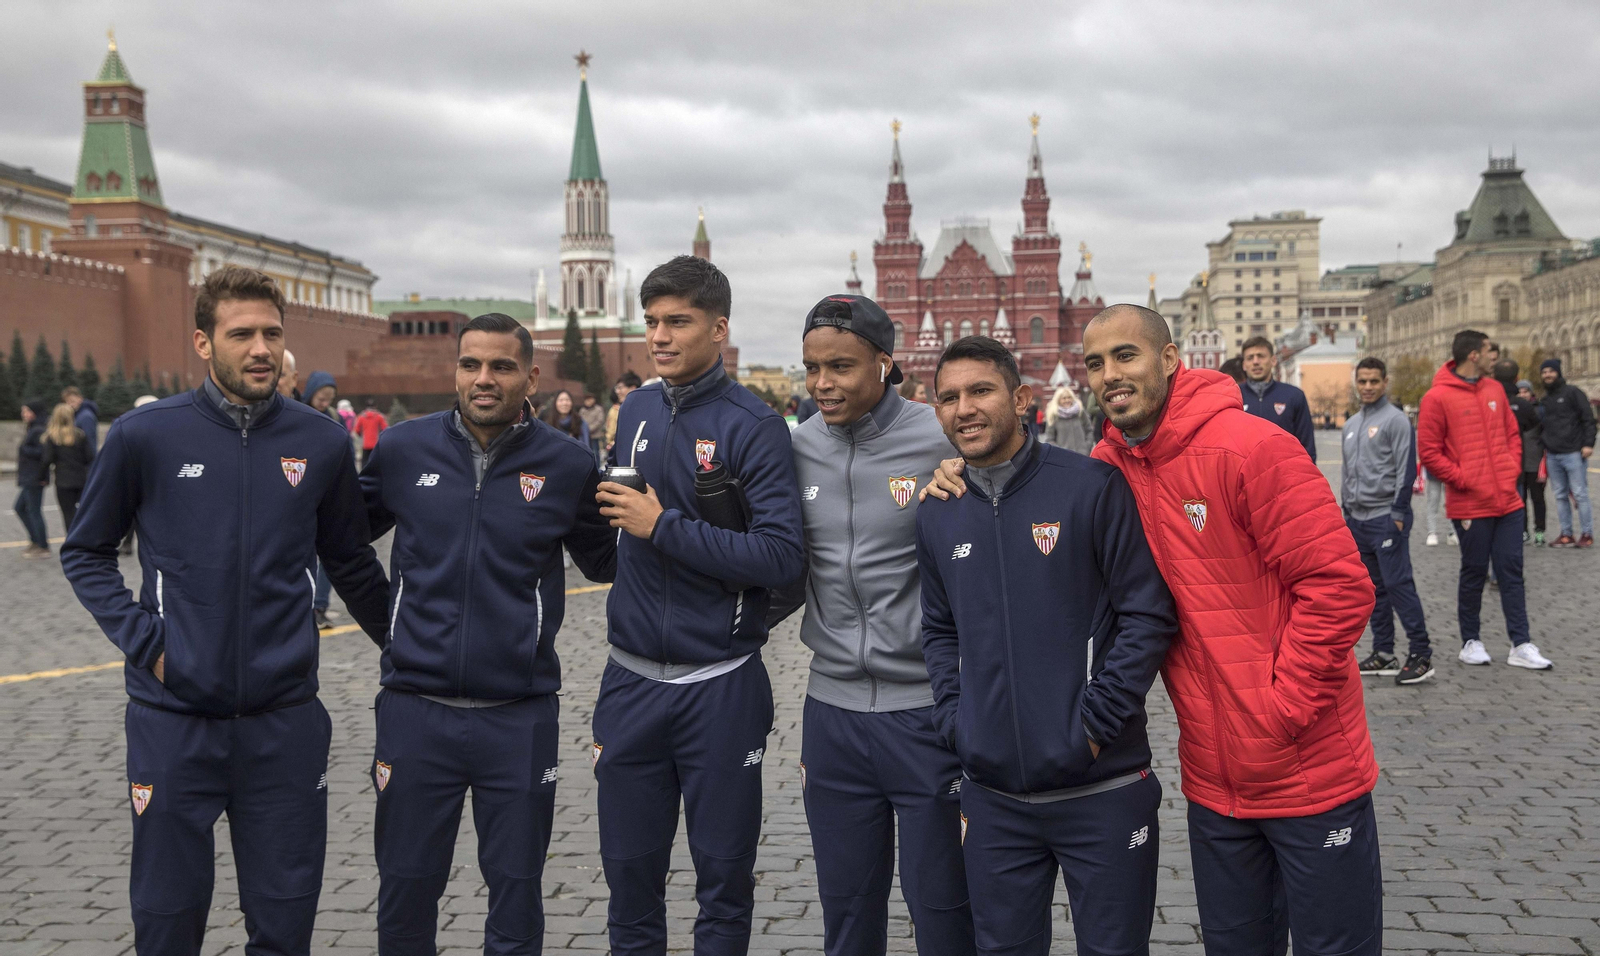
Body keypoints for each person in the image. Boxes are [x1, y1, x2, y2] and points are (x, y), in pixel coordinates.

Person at [925, 304, 1382, 956]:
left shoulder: (1253, 447)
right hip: (1215, 780)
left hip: (1307, 769)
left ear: (1170, 359)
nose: (1110, 374)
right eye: (1095, 362)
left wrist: (1282, 711)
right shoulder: (1115, 468)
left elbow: (1340, 586)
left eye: (1127, 356)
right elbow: (1026, 481)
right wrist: (961, 478)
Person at [59, 264, 391, 956]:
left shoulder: (322, 442)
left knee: (285, 923)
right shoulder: (146, 436)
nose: (261, 348)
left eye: (272, 332)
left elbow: (351, 561)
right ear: (204, 343)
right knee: (167, 919)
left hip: (286, 723)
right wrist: (147, 643)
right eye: (241, 334)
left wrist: (408, 644)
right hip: (173, 722)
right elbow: (86, 551)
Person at [359, 312, 616, 956]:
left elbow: (610, 562)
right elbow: (336, 541)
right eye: (471, 364)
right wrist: (388, 623)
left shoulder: (566, 464)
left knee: (516, 892)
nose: (483, 378)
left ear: (530, 375)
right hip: (416, 712)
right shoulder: (401, 449)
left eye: (501, 366)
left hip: (519, 718)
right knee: (406, 889)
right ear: (456, 370)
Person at [918, 336, 1177, 956]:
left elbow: (1147, 615)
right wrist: (959, 723)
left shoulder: (1090, 487)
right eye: (948, 398)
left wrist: (1093, 726)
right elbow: (939, 629)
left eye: (980, 390)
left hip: (1103, 789)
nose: (964, 409)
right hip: (994, 798)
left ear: (1022, 398)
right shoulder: (937, 510)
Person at [591, 255, 804, 955]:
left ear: (719, 328)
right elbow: (617, 532)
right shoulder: (641, 407)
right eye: (652, 321)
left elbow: (782, 558)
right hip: (628, 683)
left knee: (722, 881)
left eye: (677, 321)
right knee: (628, 880)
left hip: (718, 687)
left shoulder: (755, 424)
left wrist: (665, 528)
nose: (660, 335)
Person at [773, 294, 973, 956]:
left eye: (841, 367)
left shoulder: (941, 436)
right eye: (811, 369)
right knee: (847, 912)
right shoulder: (797, 446)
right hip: (831, 714)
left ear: (885, 364)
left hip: (926, 713)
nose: (822, 384)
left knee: (943, 909)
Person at [1418, 329, 1551, 669]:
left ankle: (1521, 643)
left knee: (1511, 570)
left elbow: (1511, 433)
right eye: (1490, 350)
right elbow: (1430, 453)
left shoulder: (1494, 389)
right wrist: (1465, 479)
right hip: (1469, 503)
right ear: (1474, 355)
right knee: (1474, 571)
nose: (1496, 356)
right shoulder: (1436, 398)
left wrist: (1509, 470)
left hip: (1507, 499)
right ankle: (1471, 641)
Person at [1343, 358, 1432, 685]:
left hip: (1385, 518)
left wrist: (1397, 513)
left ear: (1385, 382)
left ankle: (1421, 653)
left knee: (1398, 585)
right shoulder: (1351, 425)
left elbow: (1406, 470)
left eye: (1373, 381)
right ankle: (1383, 651)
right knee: (1374, 590)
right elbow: (1348, 472)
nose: (1367, 387)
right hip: (1357, 520)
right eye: (1362, 381)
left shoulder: (1396, 421)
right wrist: (1346, 512)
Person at [1537, 358, 1595, 548]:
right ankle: (1566, 534)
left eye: (1550, 371)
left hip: (1573, 452)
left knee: (1580, 494)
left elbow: (1588, 419)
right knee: (1560, 495)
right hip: (1553, 454)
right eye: (1544, 372)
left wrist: (1588, 444)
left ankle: (1587, 533)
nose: (1547, 375)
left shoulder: (1573, 393)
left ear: (1558, 372)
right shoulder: (1544, 399)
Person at [301, 371, 342, 629]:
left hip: (326, 495)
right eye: (321, 397)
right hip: (302, 494)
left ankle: (320, 605)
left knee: (327, 557)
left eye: (329, 399)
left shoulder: (333, 420)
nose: (324, 402)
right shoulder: (297, 417)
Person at [1238, 335, 1316, 461]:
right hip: (1245, 478)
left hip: (1285, 476)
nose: (1256, 361)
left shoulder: (1294, 396)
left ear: (1273, 361)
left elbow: (1307, 446)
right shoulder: (1234, 397)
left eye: (1261, 356)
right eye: (1250, 358)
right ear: (1244, 365)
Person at [42, 402, 94, 532]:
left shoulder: (52, 437)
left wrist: (43, 476)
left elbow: (47, 459)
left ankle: (72, 542)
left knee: (68, 513)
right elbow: (90, 456)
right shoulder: (80, 435)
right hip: (81, 478)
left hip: (63, 480)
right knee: (82, 512)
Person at [14, 399, 51, 558]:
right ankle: (35, 541)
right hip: (29, 476)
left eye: (26, 411)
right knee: (20, 508)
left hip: (35, 477)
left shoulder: (39, 429)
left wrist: (24, 449)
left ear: (34, 412)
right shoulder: (33, 428)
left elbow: (44, 454)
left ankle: (43, 546)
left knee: (34, 511)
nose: (23, 414)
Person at [1515, 378, 1547, 544]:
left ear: (1531, 393)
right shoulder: (1512, 410)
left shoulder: (1540, 411)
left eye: (1525, 391)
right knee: (1520, 500)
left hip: (1535, 462)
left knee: (1537, 498)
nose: (1522, 394)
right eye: (1519, 391)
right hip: (1518, 463)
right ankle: (1523, 530)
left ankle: (1540, 530)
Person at [1040, 383, 1093, 454]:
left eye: (1069, 397)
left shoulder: (1080, 412)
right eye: (1064, 398)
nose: (1067, 400)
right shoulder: (1054, 416)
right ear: (1058, 400)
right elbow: (1050, 439)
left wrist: (1087, 446)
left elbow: (1089, 430)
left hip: (1083, 455)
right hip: (1064, 458)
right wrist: (1061, 453)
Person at [604, 371, 641, 455]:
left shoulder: (645, 409)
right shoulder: (615, 410)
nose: (617, 391)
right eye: (616, 388)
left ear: (633, 388)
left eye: (620, 388)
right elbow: (611, 432)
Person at [62, 385, 101, 454]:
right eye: (67, 402)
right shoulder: (76, 414)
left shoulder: (86, 417)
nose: (70, 404)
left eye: (72, 401)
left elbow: (89, 440)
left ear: (80, 399)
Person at [354, 401, 389, 469]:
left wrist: (361, 436)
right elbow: (385, 429)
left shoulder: (361, 417)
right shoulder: (379, 417)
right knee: (376, 463)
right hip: (376, 444)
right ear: (375, 407)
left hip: (365, 444)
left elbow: (357, 430)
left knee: (364, 463)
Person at [580, 391, 607, 463]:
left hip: (595, 435)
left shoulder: (598, 409)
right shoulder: (582, 410)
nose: (589, 401)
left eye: (590, 399)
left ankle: (597, 466)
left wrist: (589, 429)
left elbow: (600, 421)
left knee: (596, 452)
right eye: (587, 400)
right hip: (584, 435)